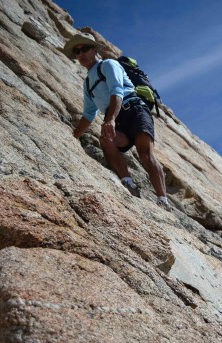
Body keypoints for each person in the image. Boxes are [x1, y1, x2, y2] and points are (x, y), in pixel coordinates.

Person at [63, 33, 172, 211]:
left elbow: (117, 91)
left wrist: (110, 119)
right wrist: (72, 137)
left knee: (145, 154)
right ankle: (128, 184)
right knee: (107, 140)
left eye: (84, 48)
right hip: (117, 118)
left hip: (134, 109)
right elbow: (89, 114)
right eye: (77, 51)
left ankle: (162, 200)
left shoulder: (108, 64)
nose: (80, 53)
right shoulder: (87, 83)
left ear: (95, 49)